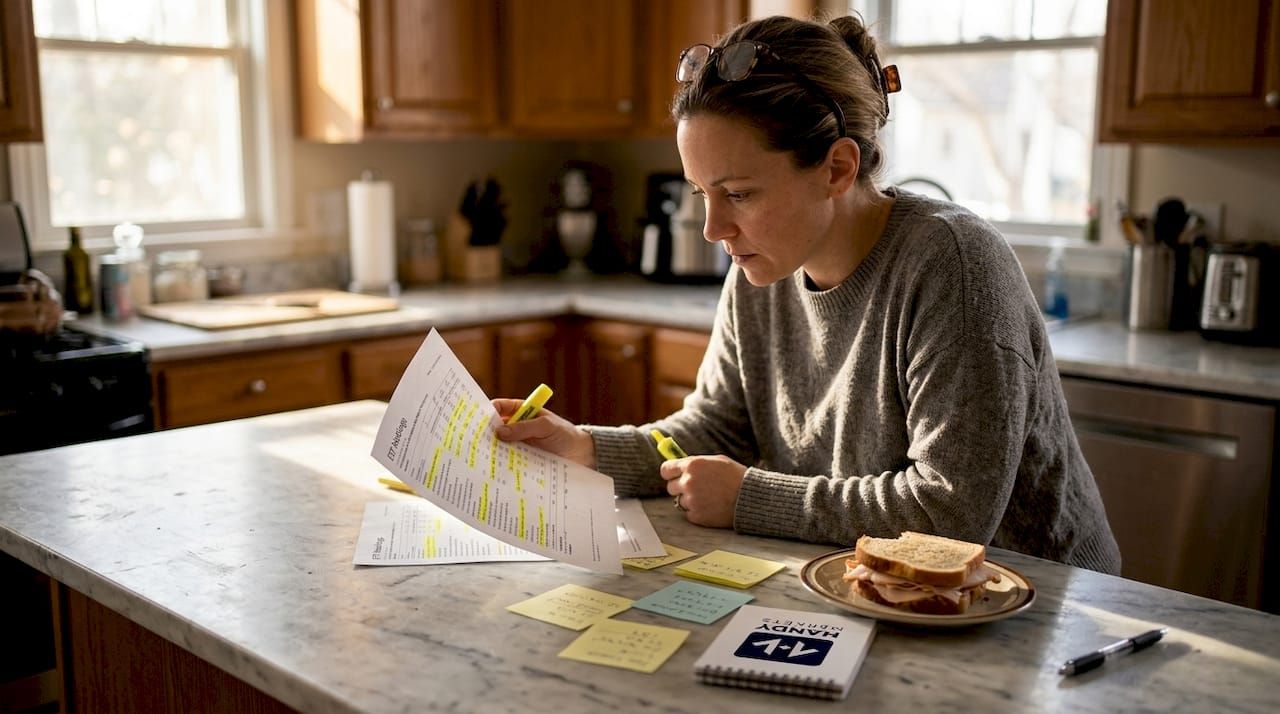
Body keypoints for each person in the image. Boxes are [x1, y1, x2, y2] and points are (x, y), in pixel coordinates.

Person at [494, 14, 1121, 575]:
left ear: (837, 169)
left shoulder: (953, 265)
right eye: (701, 193)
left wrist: (749, 498)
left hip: (1040, 604)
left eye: (738, 194)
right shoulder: (760, 269)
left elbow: (949, 512)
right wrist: (586, 448)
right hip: (869, 584)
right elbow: (718, 427)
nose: (713, 229)